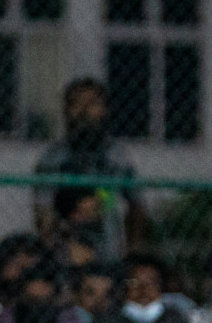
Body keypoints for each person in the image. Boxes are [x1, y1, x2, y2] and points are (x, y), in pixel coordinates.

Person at [33, 78, 147, 258]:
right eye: (76, 104)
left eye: (92, 103)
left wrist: (132, 250)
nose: (84, 111)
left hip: (109, 251)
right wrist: (57, 246)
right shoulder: (54, 156)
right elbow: (43, 211)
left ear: (104, 110)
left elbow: (136, 205)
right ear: (66, 111)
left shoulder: (117, 154)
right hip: (67, 253)